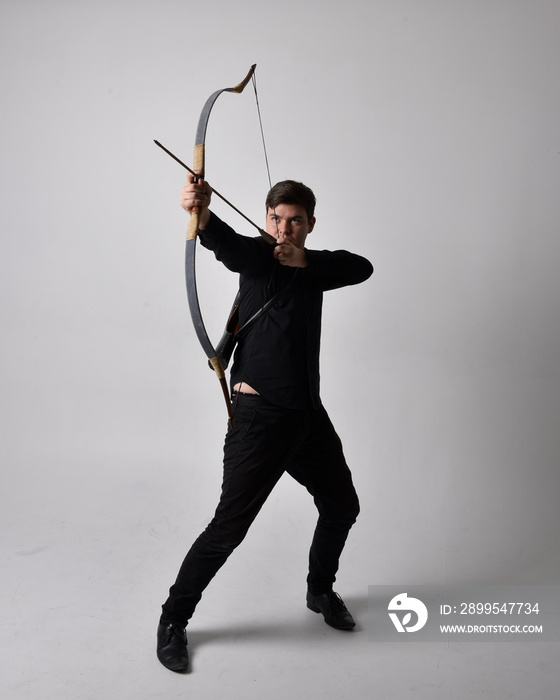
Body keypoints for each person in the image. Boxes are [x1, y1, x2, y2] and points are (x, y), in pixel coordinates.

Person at [157, 172, 373, 672]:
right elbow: (226, 244)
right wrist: (202, 212)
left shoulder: (315, 267)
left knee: (342, 505)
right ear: (267, 218)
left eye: (294, 222)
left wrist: (306, 261)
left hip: (306, 416)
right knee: (229, 527)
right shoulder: (256, 259)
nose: (283, 230)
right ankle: (173, 618)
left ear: (310, 225)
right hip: (259, 419)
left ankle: (320, 590)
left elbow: (361, 267)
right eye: (276, 219)